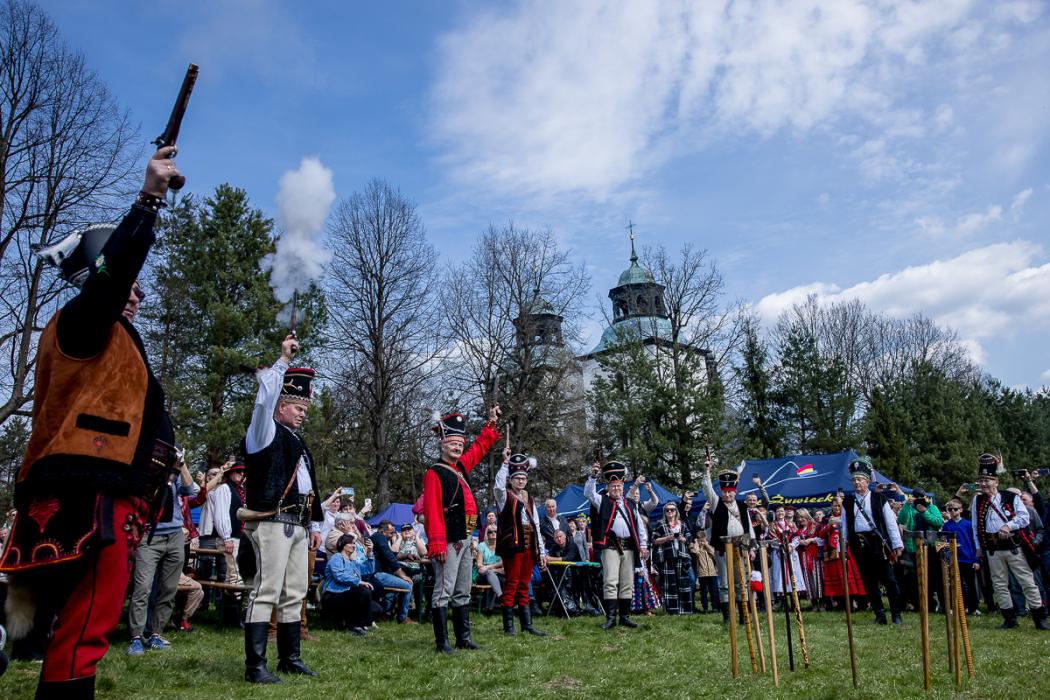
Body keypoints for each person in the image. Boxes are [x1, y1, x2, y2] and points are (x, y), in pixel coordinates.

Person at [0, 148, 181, 698]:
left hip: (95, 495)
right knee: (82, 633)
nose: (138, 292)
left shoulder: (107, 334)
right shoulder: (82, 320)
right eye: (130, 282)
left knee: (74, 631)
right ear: (99, 278)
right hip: (92, 499)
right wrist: (148, 201)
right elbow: (112, 276)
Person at [241, 336, 324, 683]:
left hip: (298, 524)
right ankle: (255, 666)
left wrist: (314, 524)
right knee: (266, 591)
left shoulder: (298, 442)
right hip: (272, 522)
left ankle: (290, 658)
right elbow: (263, 400)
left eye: (305, 409)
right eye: (297, 407)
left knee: (294, 594)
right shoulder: (263, 431)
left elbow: (308, 487)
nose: (303, 413)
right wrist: (282, 362)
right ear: (280, 406)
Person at [422, 408, 501, 653]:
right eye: (452, 443)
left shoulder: (461, 468)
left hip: (467, 537)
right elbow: (433, 511)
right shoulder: (434, 473)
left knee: (463, 589)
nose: (457, 447)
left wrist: (490, 424)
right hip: (448, 538)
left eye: (459, 444)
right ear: (443, 444)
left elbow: (478, 448)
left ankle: (463, 638)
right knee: (443, 589)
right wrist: (437, 544)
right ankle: (442, 642)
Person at [126, 456, 199, 655]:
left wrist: (182, 464)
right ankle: (136, 637)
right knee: (143, 588)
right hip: (149, 535)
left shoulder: (174, 470)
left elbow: (190, 491)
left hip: (174, 535)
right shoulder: (145, 469)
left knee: (168, 589)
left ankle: (156, 633)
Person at [970, 454, 1048, 630]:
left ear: (996, 481)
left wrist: (1008, 525)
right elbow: (975, 525)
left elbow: (1024, 517)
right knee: (999, 584)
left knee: (1027, 582)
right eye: (981, 480)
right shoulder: (977, 500)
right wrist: (978, 547)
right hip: (992, 549)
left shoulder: (1010, 497)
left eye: (987, 480)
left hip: (1013, 547)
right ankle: (1009, 618)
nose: (983, 484)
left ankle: (1039, 618)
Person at [584, 460, 648, 630]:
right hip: (610, 547)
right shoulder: (601, 501)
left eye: (619, 486)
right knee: (611, 581)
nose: (616, 489)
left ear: (623, 487)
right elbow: (588, 493)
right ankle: (611, 618)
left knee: (627, 582)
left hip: (629, 548)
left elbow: (639, 526)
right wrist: (593, 476)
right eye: (613, 487)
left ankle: (625, 617)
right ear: (608, 487)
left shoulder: (631, 504)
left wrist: (643, 545)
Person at [840, 458, 904, 625]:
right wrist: (844, 547)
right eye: (854, 480)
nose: (857, 482)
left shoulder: (879, 498)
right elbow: (844, 525)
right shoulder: (847, 501)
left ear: (867, 481)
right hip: (859, 544)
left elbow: (890, 523)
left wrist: (897, 544)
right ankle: (879, 614)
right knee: (869, 581)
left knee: (889, 579)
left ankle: (896, 614)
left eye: (860, 479)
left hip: (878, 543)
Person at [494, 452, 548, 636]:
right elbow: (498, 487)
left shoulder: (529, 498)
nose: (521, 481)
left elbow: (536, 525)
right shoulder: (504, 497)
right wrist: (504, 464)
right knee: (512, 584)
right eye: (517, 478)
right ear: (511, 480)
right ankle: (509, 626)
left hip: (529, 546)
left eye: (523, 478)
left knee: (525, 584)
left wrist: (541, 551)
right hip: (512, 546)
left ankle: (527, 624)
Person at [701, 460, 756, 625]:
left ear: (735, 491)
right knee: (725, 584)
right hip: (723, 549)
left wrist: (752, 548)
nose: (727, 495)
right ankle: (727, 617)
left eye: (730, 492)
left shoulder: (742, 506)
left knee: (741, 583)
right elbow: (707, 488)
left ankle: (743, 616)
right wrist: (707, 471)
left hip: (741, 548)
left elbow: (748, 527)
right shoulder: (716, 503)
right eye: (724, 492)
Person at [321, 534, 374, 636]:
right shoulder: (337, 557)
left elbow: (368, 570)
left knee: (377, 609)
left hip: (347, 594)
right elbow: (339, 576)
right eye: (350, 543)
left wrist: (370, 553)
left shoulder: (353, 562)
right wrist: (358, 581)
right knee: (362, 591)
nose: (353, 545)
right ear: (342, 544)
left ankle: (359, 623)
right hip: (333, 594)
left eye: (354, 543)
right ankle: (355, 626)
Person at [818, 499, 865, 607]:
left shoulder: (848, 517)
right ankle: (841, 602)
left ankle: (856, 601)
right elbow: (820, 534)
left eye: (839, 506)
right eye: (835, 506)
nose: (837, 508)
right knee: (838, 576)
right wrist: (828, 525)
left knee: (849, 575)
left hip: (847, 551)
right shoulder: (826, 519)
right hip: (833, 552)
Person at [651, 502, 694, 614]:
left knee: (684, 583)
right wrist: (667, 538)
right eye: (667, 510)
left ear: (676, 512)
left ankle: (685, 610)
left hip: (682, 556)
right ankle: (672, 610)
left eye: (672, 510)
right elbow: (654, 540)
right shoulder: (660, 524)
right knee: (669, 584)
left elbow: (689, 538)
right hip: (667, 557)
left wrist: (683, 539)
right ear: (664, 512)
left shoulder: (682, 524)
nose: (670, 512)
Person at [370, 520, 414, 624]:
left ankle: (385, 614)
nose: (392, 535)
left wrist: (406, 555)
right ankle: (402, 617)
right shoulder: (380, 537)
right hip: (377, 574)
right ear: (382, 531)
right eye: (391, 533)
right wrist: (402, 575)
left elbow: (391, 554)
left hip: (377, 574)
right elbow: (389, 557)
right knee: (408, 585)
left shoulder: (377, 537)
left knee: (392, 590)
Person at [941, 497, 980, 615]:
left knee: (971, 584)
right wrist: (947, 559)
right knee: (956, 583)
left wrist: (976, 560)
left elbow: (974, 542)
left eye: (955, 509)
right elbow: (944, 544)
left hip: (968, 558)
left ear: (961, 510)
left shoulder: (968, 525)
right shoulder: (946, 526)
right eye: (950, 509)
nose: (953, 511)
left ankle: (973, 607)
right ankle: (959, 606)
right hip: (954, 559)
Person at [475, 525, 505, 610]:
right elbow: (479, 564)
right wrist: (495, 568)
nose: (493, 533)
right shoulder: (482, 545)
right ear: (486, 534)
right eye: (490, 532)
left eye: (495, 531)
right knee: (489, 573)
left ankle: (489, 607)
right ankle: (500, 596)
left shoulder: (501, 545)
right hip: (483, 575)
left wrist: (488, 567)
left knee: (496, 575)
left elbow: (503, 563)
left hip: (496, 573)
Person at [690, 530, 719, 613]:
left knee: (713, 591)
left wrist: (706, 545)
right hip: (703, 574)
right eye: (701, 540)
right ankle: (705, 607)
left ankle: (715, 607)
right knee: (704, 592)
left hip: (712, 573)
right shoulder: (696, 547)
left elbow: (713, 552)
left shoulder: (708, 546)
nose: (702, 542)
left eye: (704, 540)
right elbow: (695, 552)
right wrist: (696, 543)